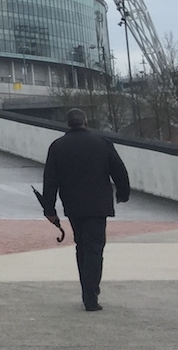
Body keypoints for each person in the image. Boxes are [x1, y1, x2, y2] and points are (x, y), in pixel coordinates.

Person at [39, 108, 130, 311]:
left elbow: (50, 180)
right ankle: (91, 295)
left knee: (81, 246)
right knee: (95, 249)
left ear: (68, 124)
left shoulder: (58, 146)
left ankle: (86, 292)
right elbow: (119, 171)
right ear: (85, 122)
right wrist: (122, 194)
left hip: (73, 206)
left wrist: (49, 208)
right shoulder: (102, 143)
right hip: (99, 206)